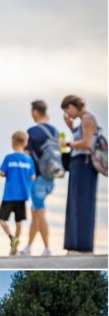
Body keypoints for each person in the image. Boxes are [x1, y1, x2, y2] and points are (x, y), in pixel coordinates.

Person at [59, 95, 101, 254]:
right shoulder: (81, 121)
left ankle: (83, 246)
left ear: (73, 105)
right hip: (77, 164)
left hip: (85, 164)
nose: (68, 114)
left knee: (82, 205)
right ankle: (74, 244)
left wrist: (67, 143)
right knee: (74, 205)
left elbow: (87, 143)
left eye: (67, 110)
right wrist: (70, 127)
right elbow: (82, 139)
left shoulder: (88, 118)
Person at [22, 100, 58, 256]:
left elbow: (26, 155)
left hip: (37, 179)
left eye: (32, 111)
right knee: (35, 212)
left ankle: (47, 248)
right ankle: (29, 246)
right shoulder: (55, 131)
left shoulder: (31, 131)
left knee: (39, 212)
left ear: (36, 112)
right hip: (51, 177)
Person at [0, 131, 35, 255]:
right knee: (19, 221)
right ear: (25, 143)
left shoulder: (9, 158)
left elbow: (2, 173)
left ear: (13, 142)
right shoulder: (28, 160)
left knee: (1, 219)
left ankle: (11, 237)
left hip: (9, 194)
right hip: (22, 195)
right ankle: (16, 244)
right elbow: (33, 176)